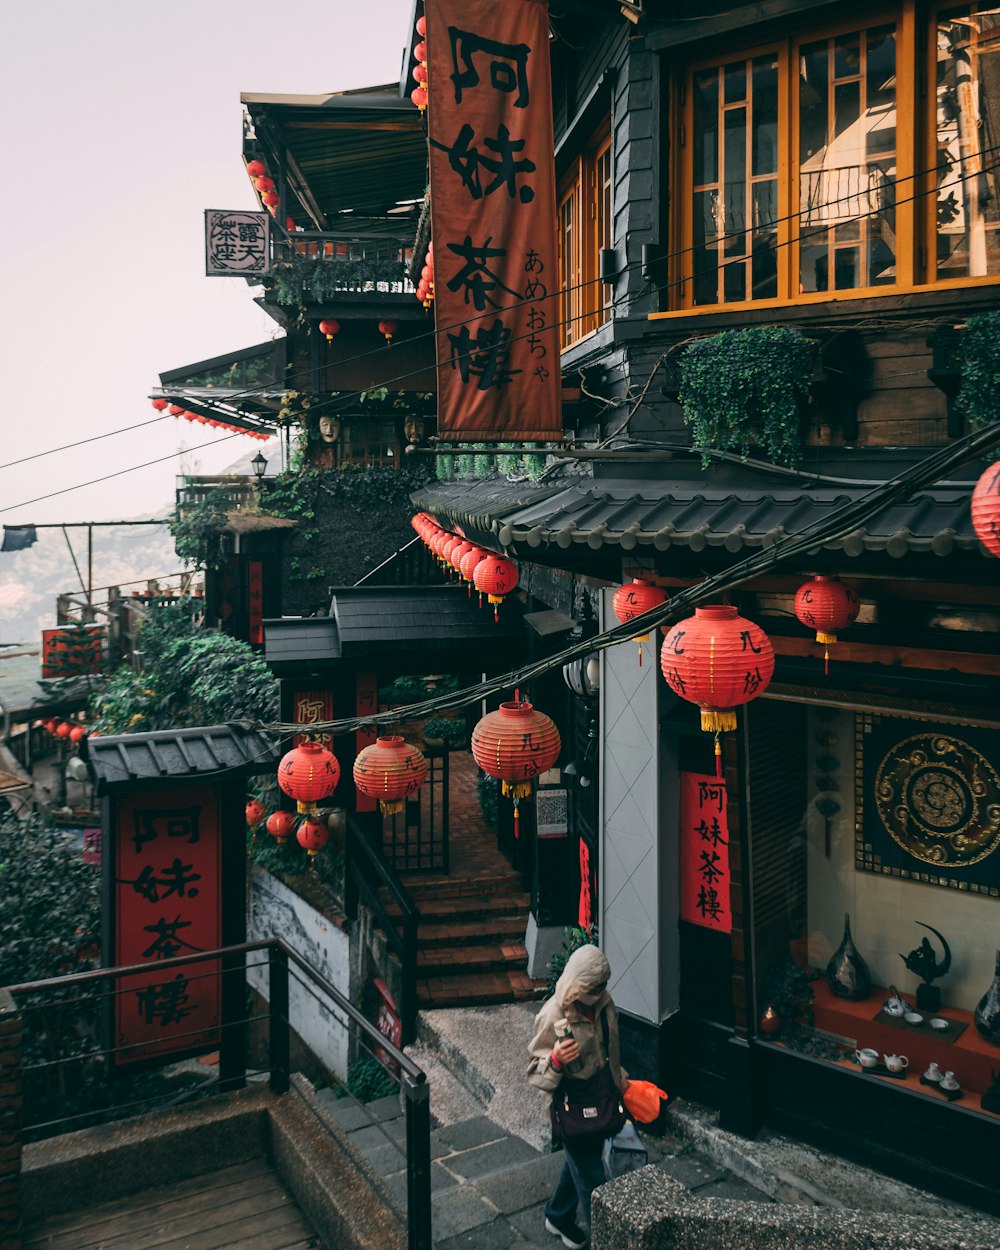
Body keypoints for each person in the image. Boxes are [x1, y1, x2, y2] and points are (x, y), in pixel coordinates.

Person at [527, 944, 628, 1248]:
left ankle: (557, 1214)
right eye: (593, 987)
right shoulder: (552, 1015)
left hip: (601, 1097)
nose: (599, 991)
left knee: (580, 1165)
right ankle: (607, 1240)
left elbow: (610, 1049)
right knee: (592, 1177)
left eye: (602, 985)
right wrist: (556, 1060)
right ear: (578, 984)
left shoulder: (604, 1005)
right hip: (571, 1106)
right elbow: (535, 1072)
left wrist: (621, 1083)